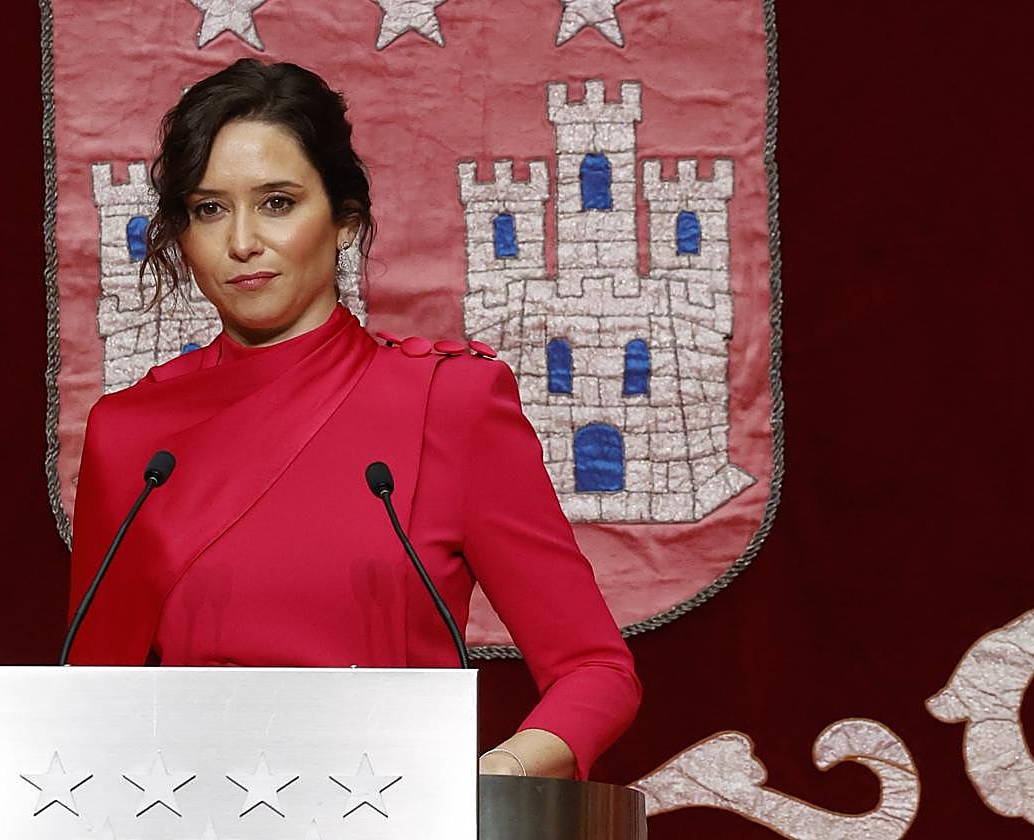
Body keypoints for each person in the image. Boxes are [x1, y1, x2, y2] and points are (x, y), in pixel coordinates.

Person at [68, 58, 640, 780]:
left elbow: (595, 670)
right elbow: (87, 703)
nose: (242, 241)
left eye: (277, 202)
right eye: (210, 209)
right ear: (182, 233)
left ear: (344, 220)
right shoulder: (132, 435)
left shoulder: (450, 403)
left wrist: (499, 778)